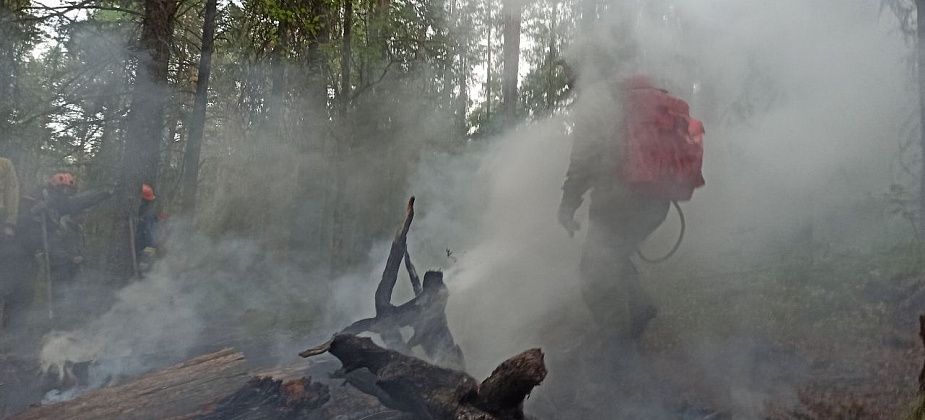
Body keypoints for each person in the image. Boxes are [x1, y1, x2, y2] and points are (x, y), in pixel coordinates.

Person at [558, 75, 671, 342]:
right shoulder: (633, 100)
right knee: (616, 256)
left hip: (618, 204)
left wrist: (567, 206)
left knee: (594, 276)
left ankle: (616, 350)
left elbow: (582, 162)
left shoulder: (597, 105)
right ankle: (641, 309)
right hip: (659, 202)